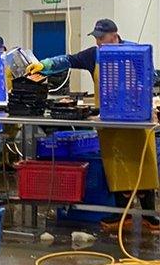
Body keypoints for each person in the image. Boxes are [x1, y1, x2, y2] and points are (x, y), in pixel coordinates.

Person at [26, 18, 159, 233]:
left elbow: (151, 78)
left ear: (115, 36)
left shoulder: (136, 52)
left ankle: (151, 220)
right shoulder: (93, 55)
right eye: (96, 38)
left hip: (137, 123)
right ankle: (120, 215)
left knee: (143, 167)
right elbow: (68, 60)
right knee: (117, 169)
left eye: (102, 37)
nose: (98, 42)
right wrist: (45, 64)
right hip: (109, 124)